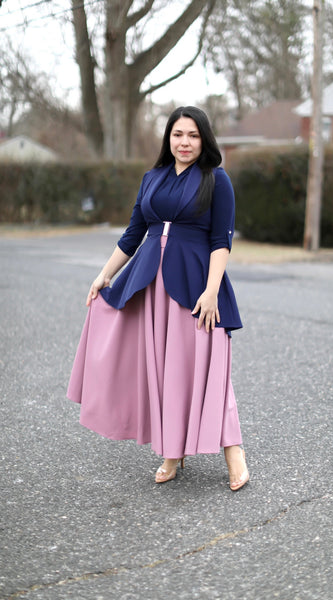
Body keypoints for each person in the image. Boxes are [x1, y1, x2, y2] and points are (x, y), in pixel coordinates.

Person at [67, 106, 249, 491]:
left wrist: (212, 290)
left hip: (195, 285)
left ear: (205, 140)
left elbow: (222, 240)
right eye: (178, 134)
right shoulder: (152, 178)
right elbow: (133, 234)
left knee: (206, 365)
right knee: (164, 370)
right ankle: (171, 451)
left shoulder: (216, 180)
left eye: (193, 135)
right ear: (168, 138)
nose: (185, 142)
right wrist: (104, 275)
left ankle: (234, 453)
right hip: (151, 286)